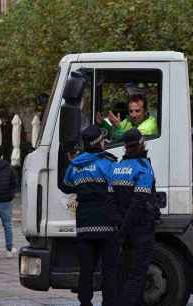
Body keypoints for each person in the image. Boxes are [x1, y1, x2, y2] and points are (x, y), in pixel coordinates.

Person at [63, 124, 120, 306]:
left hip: (84, 224)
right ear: (98, 142)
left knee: (86, 270)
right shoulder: (108, 163)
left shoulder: (75, 165)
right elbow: (117, 188)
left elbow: (67, 184)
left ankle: (85, 303)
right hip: (107, 224)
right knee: (109, 270)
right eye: (103, 139)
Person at [110, 128, 158, 306]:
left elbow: (111, 200)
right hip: (140, 229)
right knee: (138, 274)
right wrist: (126, 228)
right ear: (141, 143)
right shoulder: (143, 167)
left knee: (123, 271)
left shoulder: (116, 168)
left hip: (121, 229)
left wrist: (120, 228)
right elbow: (139, 203)